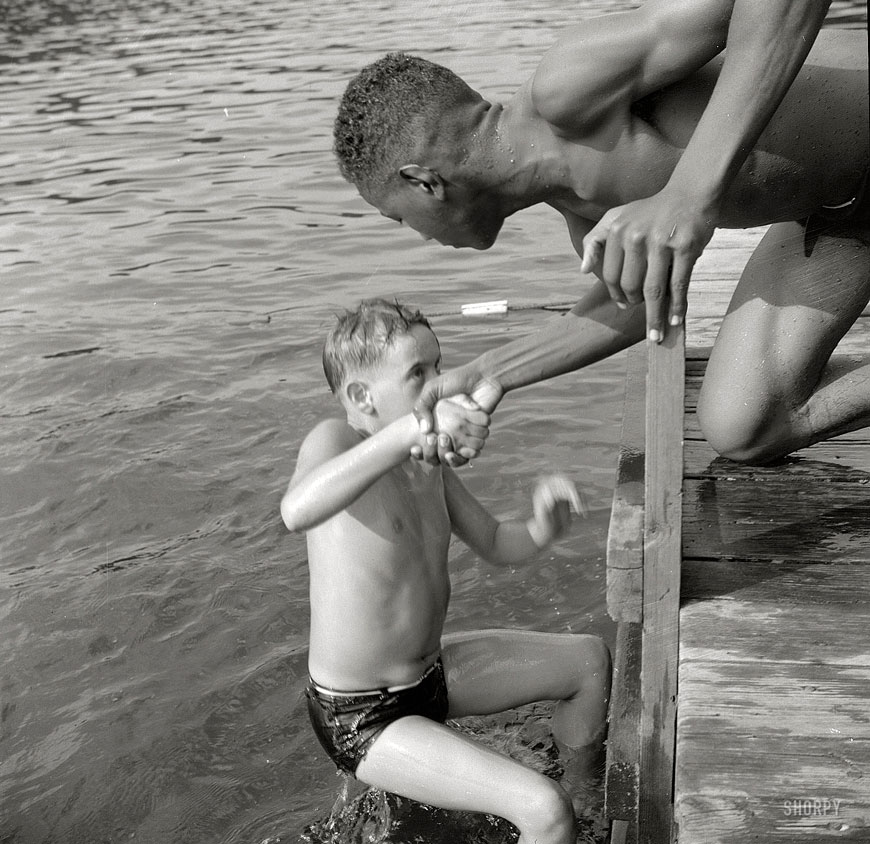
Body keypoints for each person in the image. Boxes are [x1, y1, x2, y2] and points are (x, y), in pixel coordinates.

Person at [333, 0, 869, 466]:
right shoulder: (579, 215)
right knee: (744, 426)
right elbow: (636, 306)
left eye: (399, 218)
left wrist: (689, 193)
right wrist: (489, 371)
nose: (417, 235)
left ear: (424, 183)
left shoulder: (568, 89)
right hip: (843, 216)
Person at [281, 299, 611, 844]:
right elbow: (297, 510)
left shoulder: (425, 467)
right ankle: (555, 822)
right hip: (362, 716)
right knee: (541, 808)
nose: (440, 385)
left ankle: (587, 808)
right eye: (418, 375)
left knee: (589, 662)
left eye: (439, 367)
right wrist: (409, 431)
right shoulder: (335, 442)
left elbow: (497, 543)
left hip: (428, 679)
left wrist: (541, 526)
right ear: (362, 397)